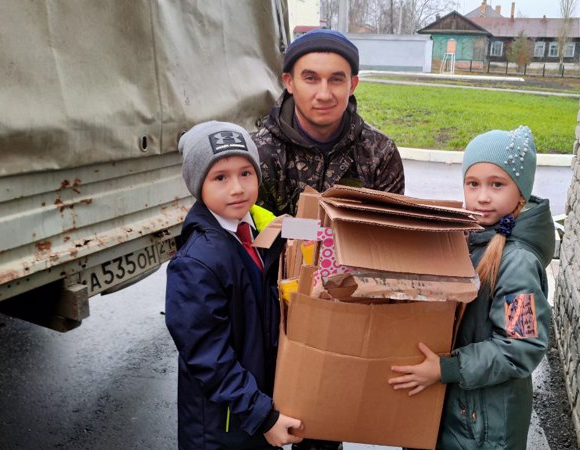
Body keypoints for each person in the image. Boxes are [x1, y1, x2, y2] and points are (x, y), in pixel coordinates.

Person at [388, 126, 555, 450]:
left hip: (485, 429)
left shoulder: (516, 263)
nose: (482, 196)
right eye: (473, 183)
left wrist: (447, 367)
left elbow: (521, 347)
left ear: (520, 192)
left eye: (497, 185)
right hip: (464, 413)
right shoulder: (474, 237)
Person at [165, 121, 302, 450]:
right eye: (220, 177)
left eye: (246, 173)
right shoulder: (196, 263)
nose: (237, 188)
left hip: (259, 407)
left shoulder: (260, 228)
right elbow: (208, 356)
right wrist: (262, 415)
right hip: (224, 426)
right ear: (199, 185)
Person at [253, 28, 405, 217]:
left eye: (336, 80)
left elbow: (388, 233)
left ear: (352, 85)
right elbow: (256, 235)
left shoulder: (380, 153)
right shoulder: (259, 154)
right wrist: (317, 233)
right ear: (289, 82)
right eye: (311, 79)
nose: (324, 95)